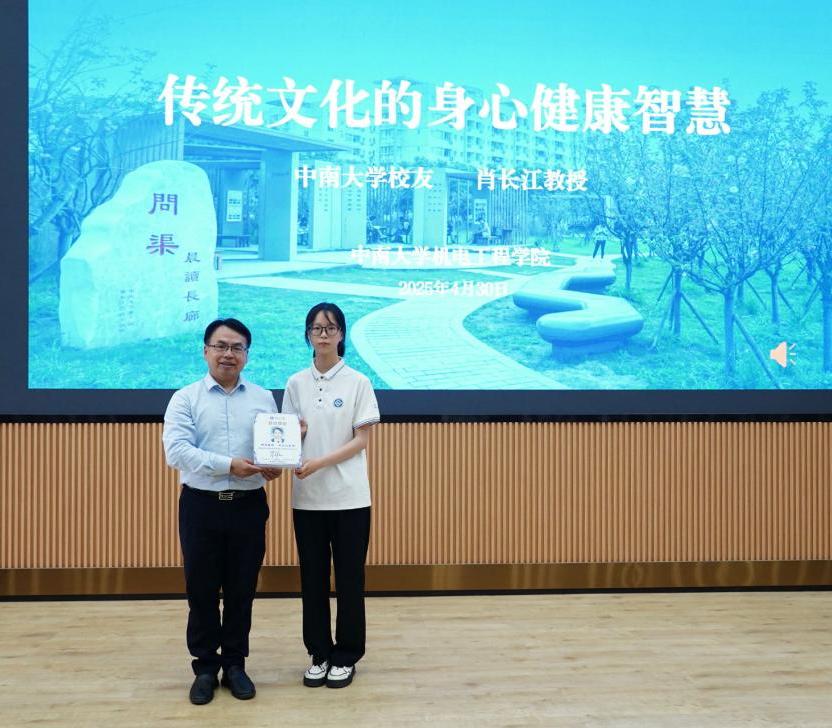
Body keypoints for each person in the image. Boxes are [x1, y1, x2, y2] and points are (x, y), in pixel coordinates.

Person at [163, 318, 281, 706]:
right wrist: (228, 465)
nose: (228, 354)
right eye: (221, 346)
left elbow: (270, 449)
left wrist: (275, 464)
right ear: (206, 351)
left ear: (246, 354)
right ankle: (204, 668)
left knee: (241, 589)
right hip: (201, 506)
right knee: (201, 590)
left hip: (248, 506)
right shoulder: (185, 398)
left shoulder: (263, 398)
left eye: (237, 348)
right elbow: (177, 452)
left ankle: (234, 664)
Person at [281, 302, 380, 689]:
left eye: (331, 328)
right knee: (313, 579)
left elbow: (361, 440)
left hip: (350, 497)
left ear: (341, 334)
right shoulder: (295, 383)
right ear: (307, 334)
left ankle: (347, 655)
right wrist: (297, 436)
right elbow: (285, 436)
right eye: (316, 328)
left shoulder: (358, 382)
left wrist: (319, 461)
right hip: (307, 498)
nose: (323, 334)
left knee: (350, 579)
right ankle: (319, 653)